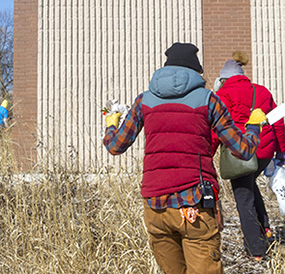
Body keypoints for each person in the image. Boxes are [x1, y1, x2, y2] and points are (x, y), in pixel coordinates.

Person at [103, 43, 266, 274]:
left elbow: (115, 146)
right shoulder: (209, 100)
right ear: (196, 71)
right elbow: (243, 150)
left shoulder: (144, 101)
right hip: (195, 205)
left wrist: (111, 125)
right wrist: (253, 125)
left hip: (155, 206)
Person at [213, 51, 285, 259]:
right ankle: (265, 228)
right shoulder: (261, 90)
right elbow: (277, 122)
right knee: (250, 186)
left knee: (243, 198)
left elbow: (217, 127)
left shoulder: (223, 94)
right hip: (264, 151)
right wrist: (281, 152)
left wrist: (207, 154)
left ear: (224, 79)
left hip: (240, 154)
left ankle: (257, 250)